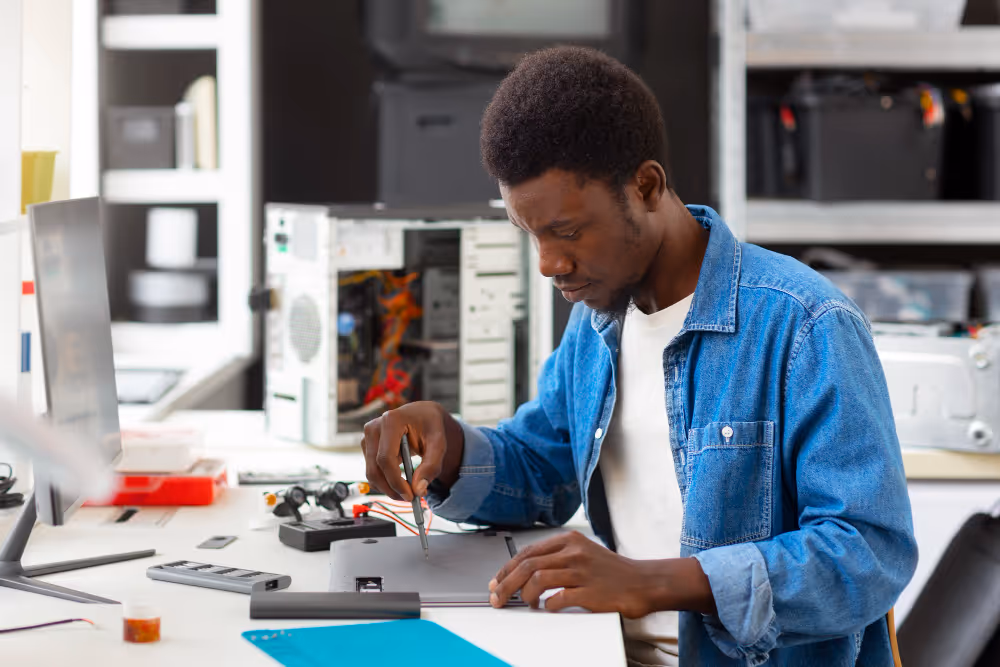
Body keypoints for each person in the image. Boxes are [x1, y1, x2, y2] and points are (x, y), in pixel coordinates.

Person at [360, 46, 917, 666]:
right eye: (533, 235)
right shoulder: (600, 318)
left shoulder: (805, 323)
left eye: (567, 232)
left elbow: (869, 553)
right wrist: (447, 443)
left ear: (646, 186)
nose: (548, 264)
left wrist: (648, 580)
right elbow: (543, 469)